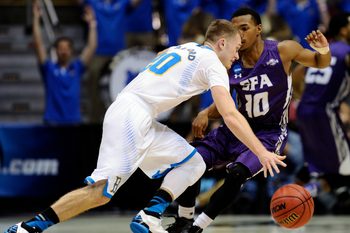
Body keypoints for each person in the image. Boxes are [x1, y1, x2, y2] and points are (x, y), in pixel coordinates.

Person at [4, 19, 286, 233]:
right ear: (222, 43)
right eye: (236, 48)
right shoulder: (213, 62)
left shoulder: (184, 48)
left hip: (141, 115)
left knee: (194, 162)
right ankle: (27, 228)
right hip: (132, 115)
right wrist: (261, 152)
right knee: (101, 192)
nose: (237, 55)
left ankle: (150, 215)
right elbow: (231, 114)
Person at [167, 7, 331, 233]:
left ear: (259, 29)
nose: (240, 35)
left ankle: (198, 226)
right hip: (237, 128)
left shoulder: (283, 50)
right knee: (191, 159)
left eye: (245, 28)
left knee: (236, 174)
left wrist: (323, 49)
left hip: (270, 133)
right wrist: (205, 113)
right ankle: (184, 220)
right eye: (236, 30)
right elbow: (225, 102)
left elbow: (320, 62)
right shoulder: (230, 62)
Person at [296, 12, 350, 195]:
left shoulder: (322, 51)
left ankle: (289, 196)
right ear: (343, 29)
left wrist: (304, 96)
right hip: (325, 111)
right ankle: (308, 192)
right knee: (345, 167)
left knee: (315, 163)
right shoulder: (346, 51)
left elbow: (296, 76)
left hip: (304, 109)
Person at [32, 0, 97, 125]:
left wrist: (92, 24)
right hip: (52, 122)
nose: (64, 51)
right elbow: (38, 44)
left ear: (71, 51)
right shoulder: (48, 69)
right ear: (55, 51)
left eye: (66, 48)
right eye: (61, 48)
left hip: (74, 122)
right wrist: (36, 18)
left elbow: (91, 47)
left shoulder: (77, 68)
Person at [83, 0, 140, 123]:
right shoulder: (92, 2)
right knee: (93, 90)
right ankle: (94, 122)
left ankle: (120, 122)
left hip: (118, 54)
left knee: (121, 90)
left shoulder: (123, 2)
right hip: (98, 52)